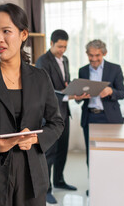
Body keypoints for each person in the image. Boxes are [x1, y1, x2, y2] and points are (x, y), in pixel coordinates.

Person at [0, 3, 64, 206]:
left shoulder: (40, 77)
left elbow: (56, 123)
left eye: (6, 31)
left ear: (23, 34)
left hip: (32, 175)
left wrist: (34, 138)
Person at [35, 29, 89, 204]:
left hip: (64, 112)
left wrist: (73, 89)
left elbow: (64, 83)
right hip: (49, 115)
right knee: (49, 152)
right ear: (51, 43)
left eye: (65, 47)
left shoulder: (64, 60)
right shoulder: (42, 61)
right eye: (59, 46)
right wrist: (69, 95)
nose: (62, 50)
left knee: (62, 150)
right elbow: (44, 90)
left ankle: (59, 180)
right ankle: (47, 188)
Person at [78, 39, 124, 165]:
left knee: (112, 153)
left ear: (104, 53)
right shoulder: (82, 71)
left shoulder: (115, 69)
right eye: (90, 55)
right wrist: (78, 96)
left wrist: (111, 91)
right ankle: (93, 184)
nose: (94, 59)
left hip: (109, 117)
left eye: (97, 55)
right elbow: (80, 96)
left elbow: (122, 93)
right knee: (91, 154)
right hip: (90, 117)